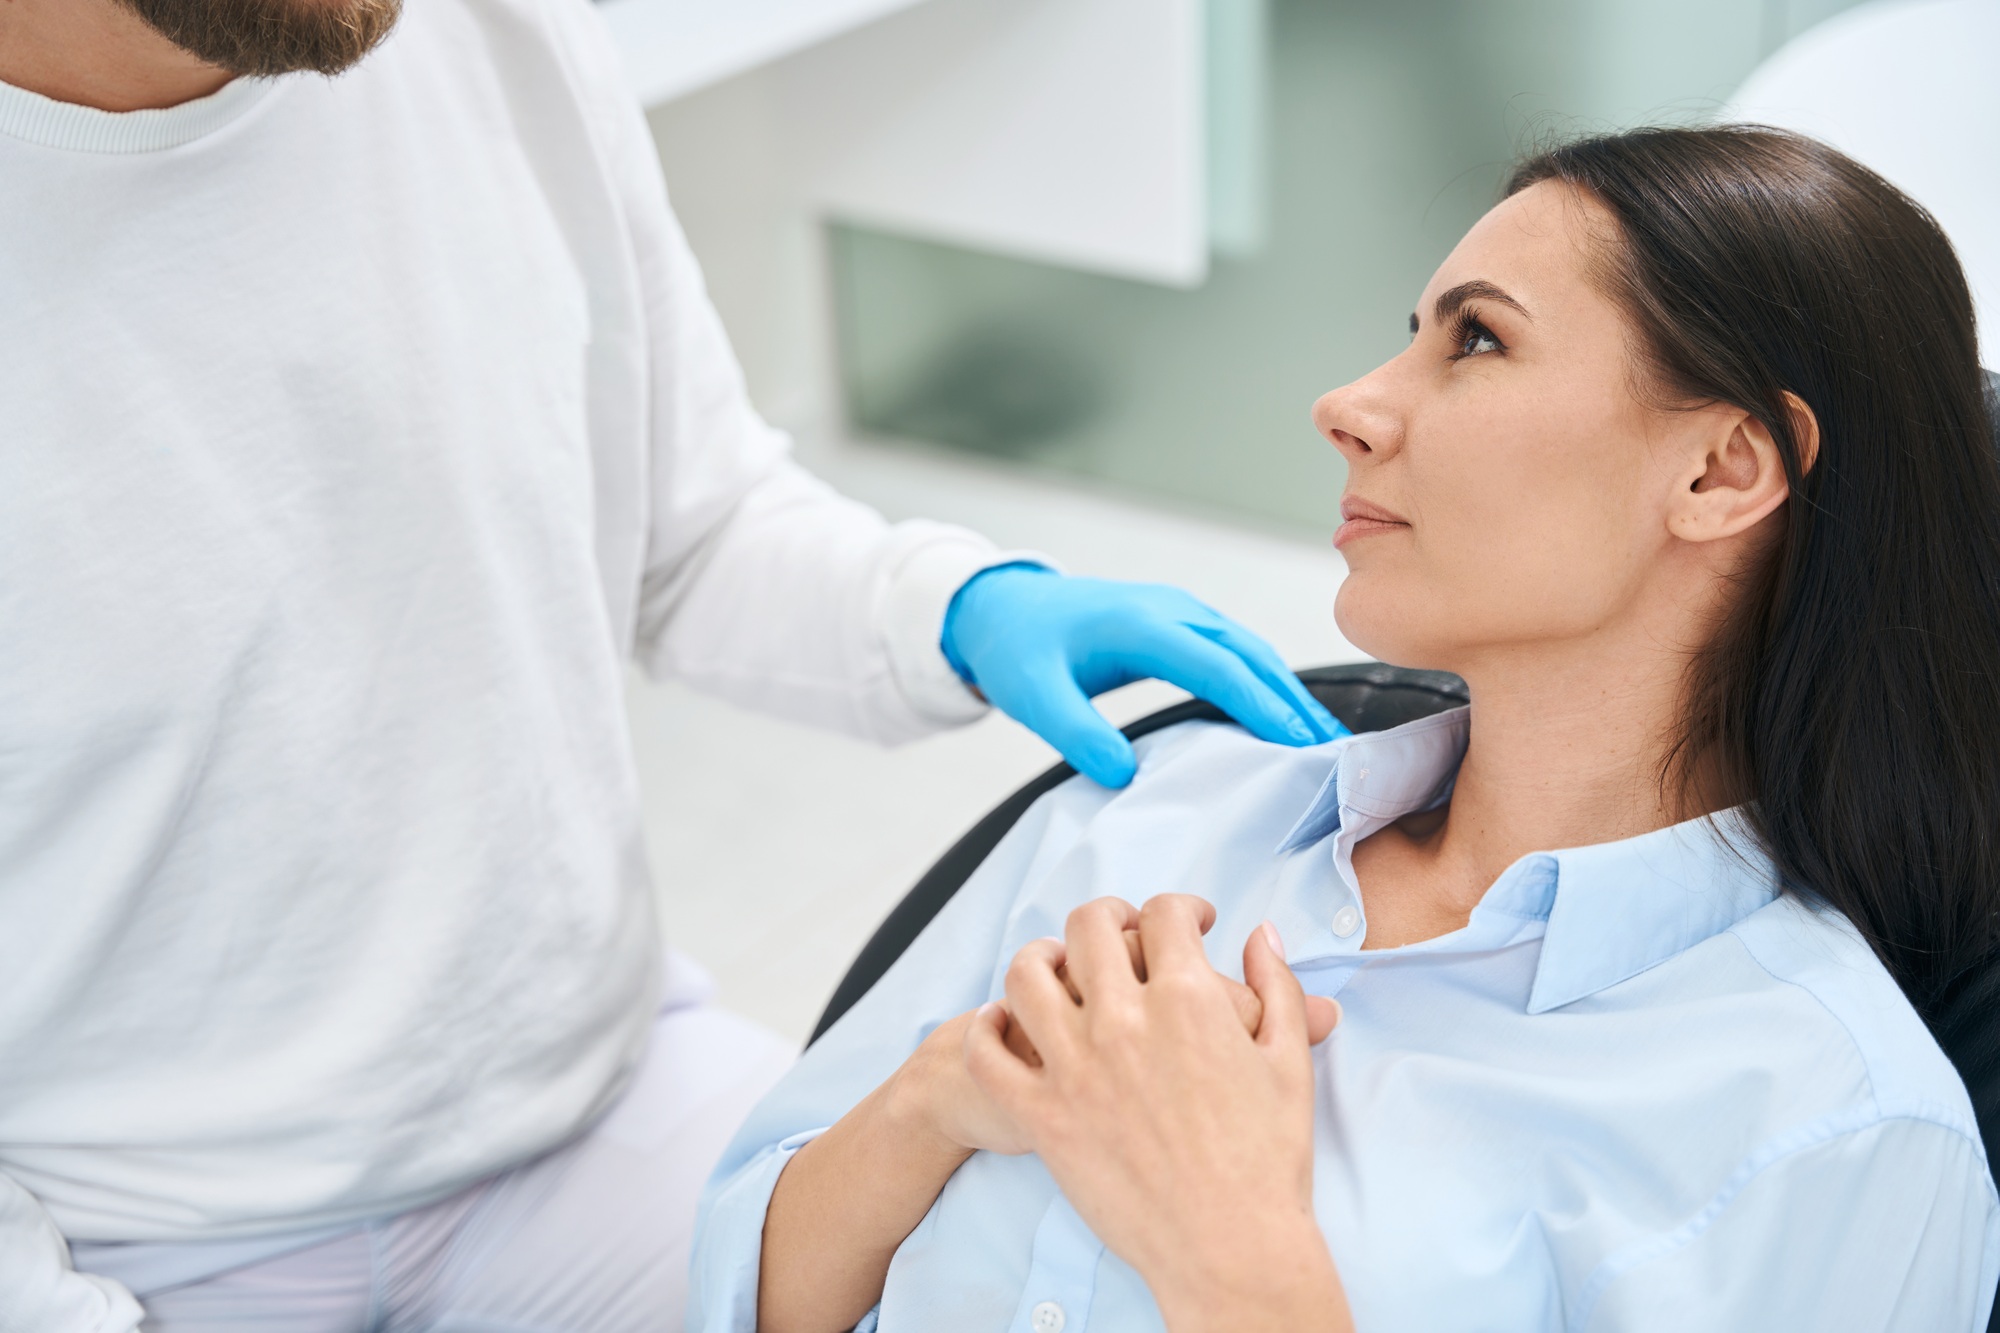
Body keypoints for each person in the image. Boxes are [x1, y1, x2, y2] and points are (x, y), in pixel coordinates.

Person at [0, 0, 1347, 1329]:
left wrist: (953, 605)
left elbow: (692, 524)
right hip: (125, 1224)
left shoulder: (493, 38)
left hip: (590, 1106)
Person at [692, 125, 2000, 1332]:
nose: (1348, 403)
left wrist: (1229, 1241)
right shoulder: (1172, 796)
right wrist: (947, 1092)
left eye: (1476, 341)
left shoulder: (1841, 1133)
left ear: (1721, 471)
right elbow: (739, 1284)